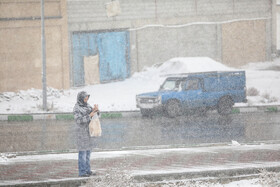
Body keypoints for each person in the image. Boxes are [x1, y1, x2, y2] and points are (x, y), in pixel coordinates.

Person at [73, 91, 99, 177]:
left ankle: (88, 170)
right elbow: (78, 120)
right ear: (80, 98)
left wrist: (96, 111)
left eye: (87, 98)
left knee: (88, 153)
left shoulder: (88, 105)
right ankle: (82, 172)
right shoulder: (77, 108)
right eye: (84, 98)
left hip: (89, 133)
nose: (86, 99)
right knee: (82, 154)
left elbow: (95, 116)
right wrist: (90, 116)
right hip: (81, 134)